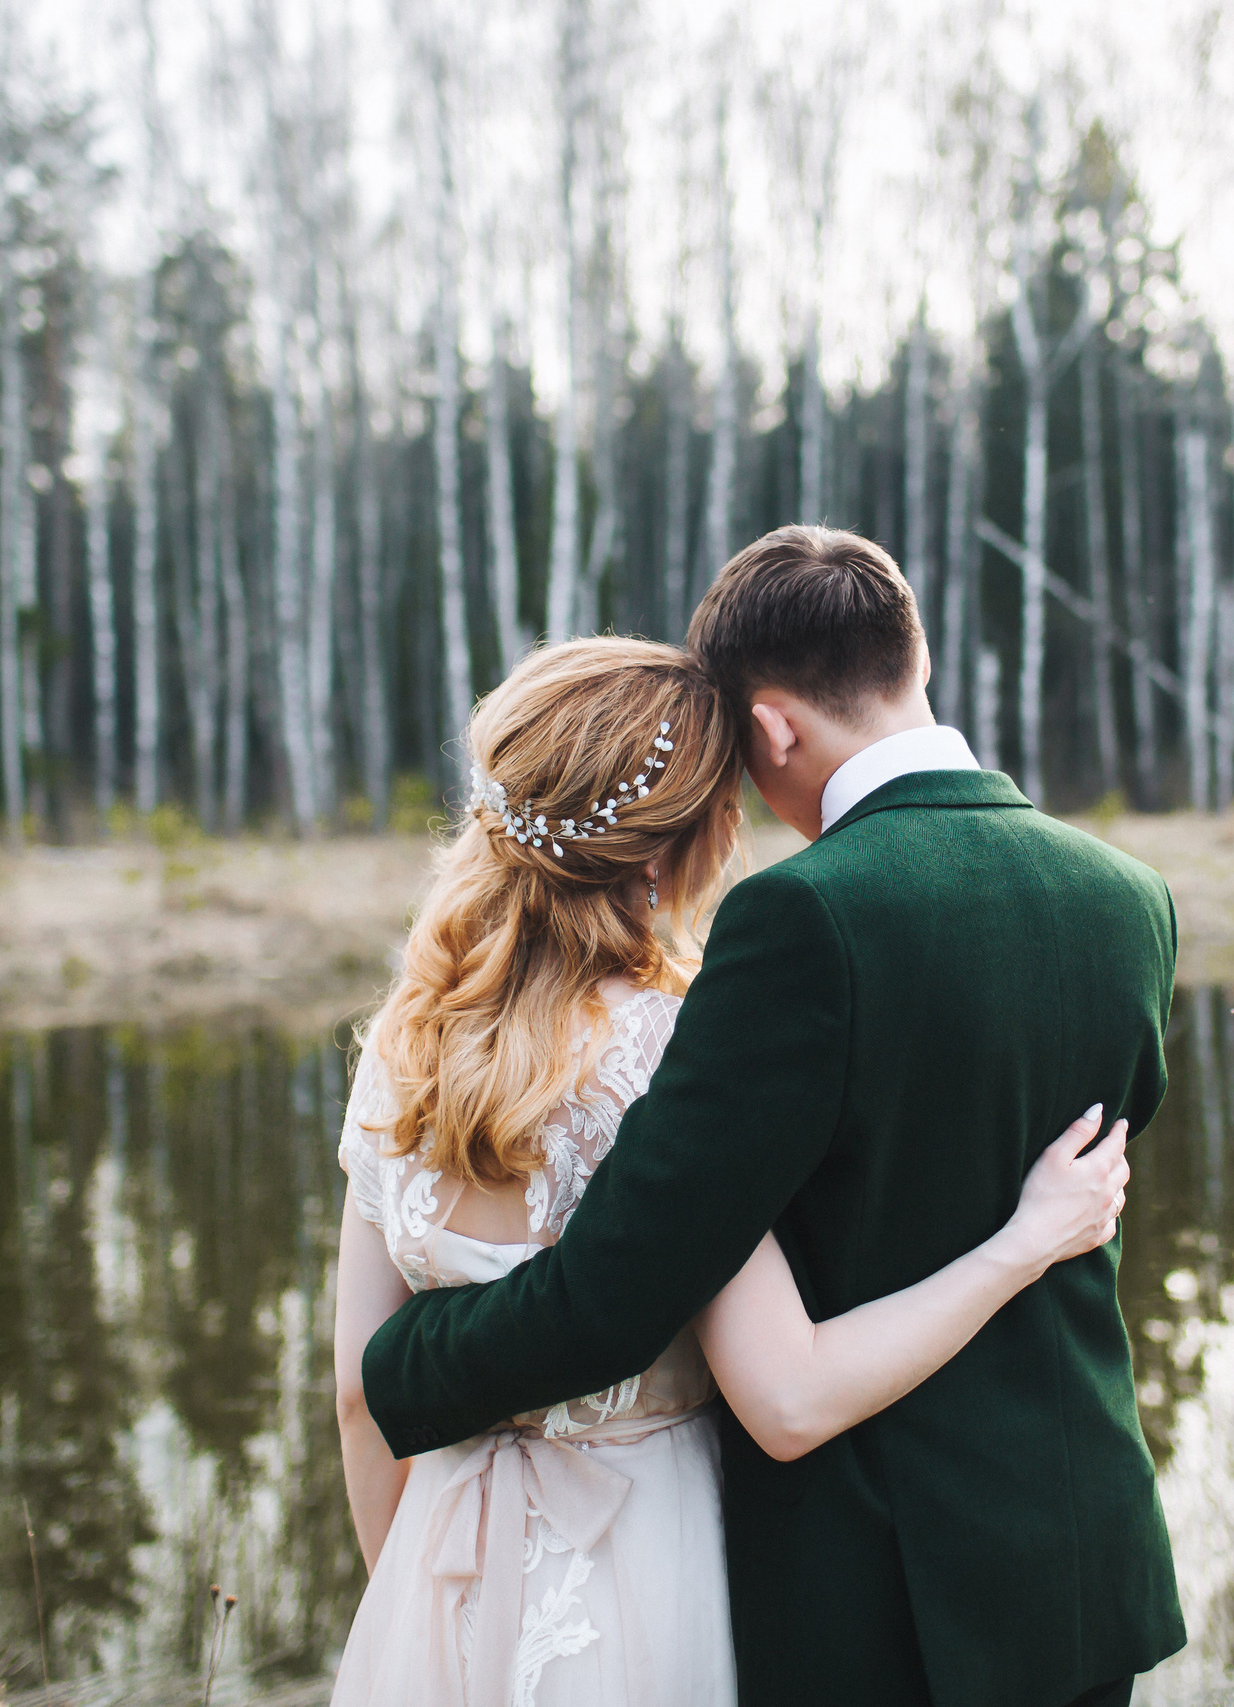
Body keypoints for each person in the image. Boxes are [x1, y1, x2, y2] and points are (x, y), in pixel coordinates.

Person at [359, 528, 1188, 1707]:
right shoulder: (1131, 899)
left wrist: (396, 1370)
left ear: (774, 729)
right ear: (915, 653)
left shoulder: (798, 919)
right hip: (1078, 1565)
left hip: (880, 1590)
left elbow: (617, 1291)